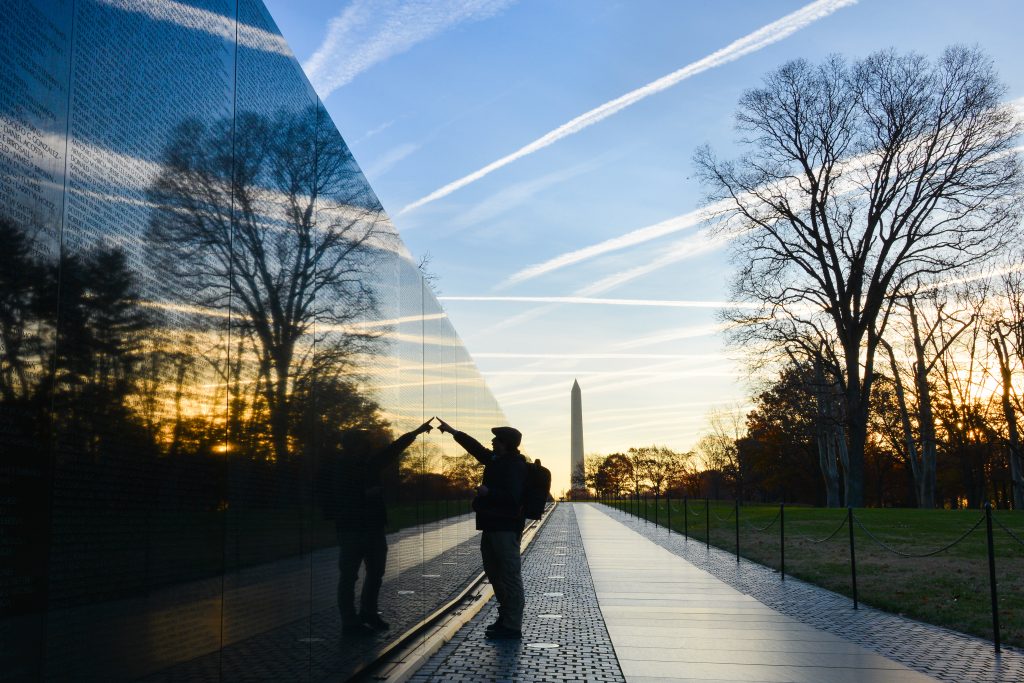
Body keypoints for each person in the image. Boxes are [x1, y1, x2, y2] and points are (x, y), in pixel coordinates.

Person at [327, 419, 434, 637]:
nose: (367, 446)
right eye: (363, 443)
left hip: (372, 528)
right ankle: (350, 622)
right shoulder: (339, 467)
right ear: (353, 446)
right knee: (349, 577)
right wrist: (364, 496)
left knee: (375, 573)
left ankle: (367, 613)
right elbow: (335, 497)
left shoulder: (368, 464)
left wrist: (416, 432)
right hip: (352, 529)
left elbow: (392, 450)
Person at [436, 418, 527, 640]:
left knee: (509, 575)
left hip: (505, 528)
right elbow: (476, 449)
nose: (493, 441)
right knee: (494, 573)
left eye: (497, 439)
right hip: (492, 526)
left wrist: (489, 493)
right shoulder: (497, 460)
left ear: (506, 443)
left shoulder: (515, 465)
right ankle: (505, 617)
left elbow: (514, 498)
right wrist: (453, 432)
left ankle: (513, 626)